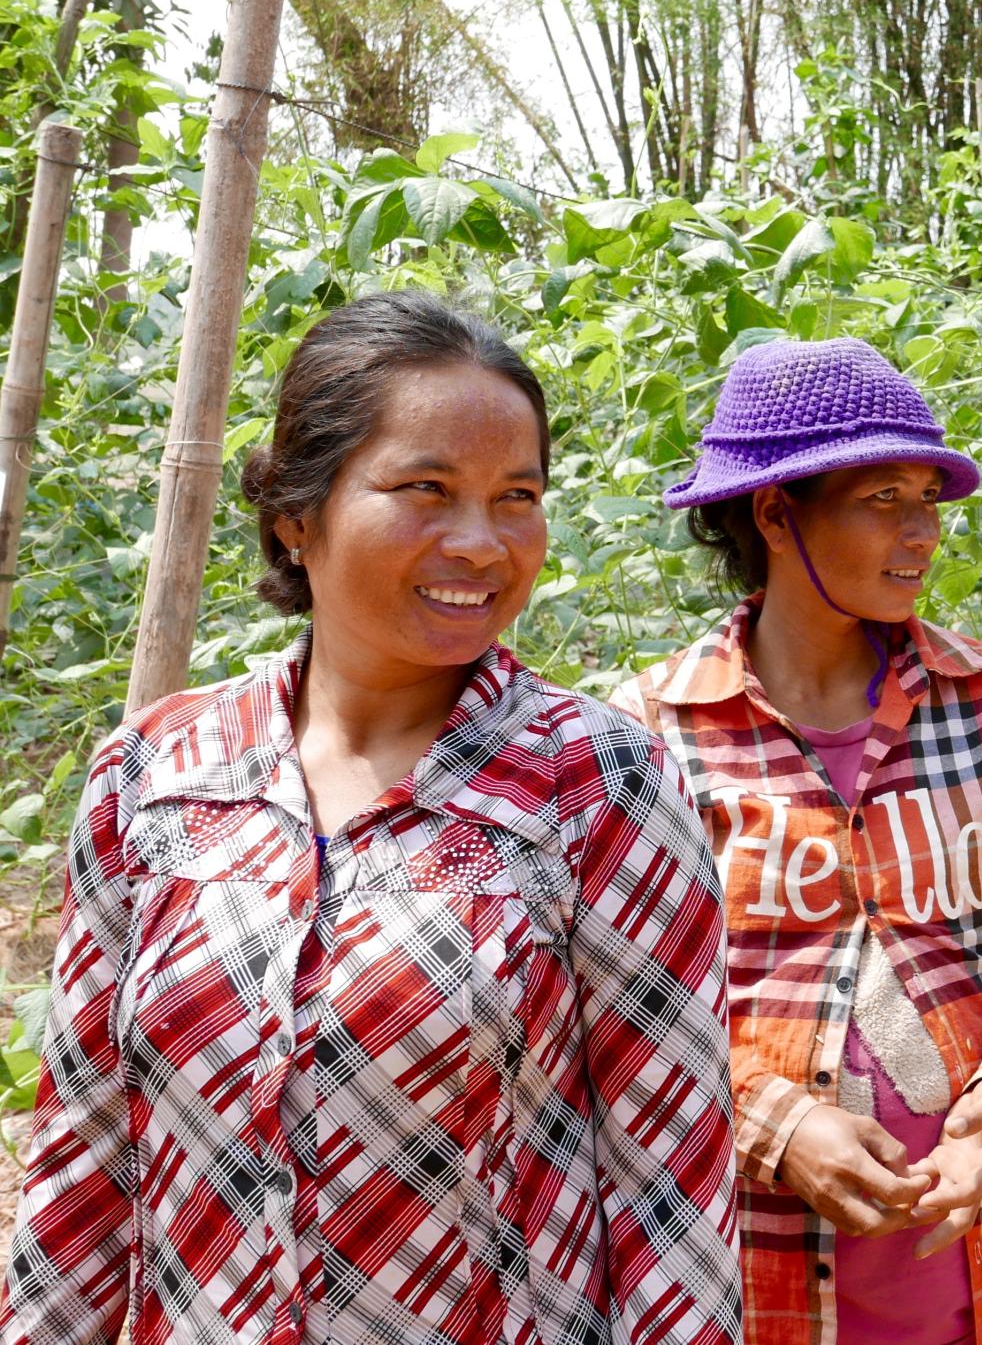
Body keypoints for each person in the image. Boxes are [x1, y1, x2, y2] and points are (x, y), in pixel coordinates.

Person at [0, 292, 744, 1345]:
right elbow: (81, 1159)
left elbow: (671, 1193)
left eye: (516, 495)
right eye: (425, 489)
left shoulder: (596, 784)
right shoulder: (157, 775)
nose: (482, 543)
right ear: (296, 514)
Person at [619, 338, 982, 1345]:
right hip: (753, 1262)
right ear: (774, 511)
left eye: (927, 497)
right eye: (881, 497)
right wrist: (774, 1119)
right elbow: (629, 1004)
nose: (921, 531)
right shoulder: (652, 732)